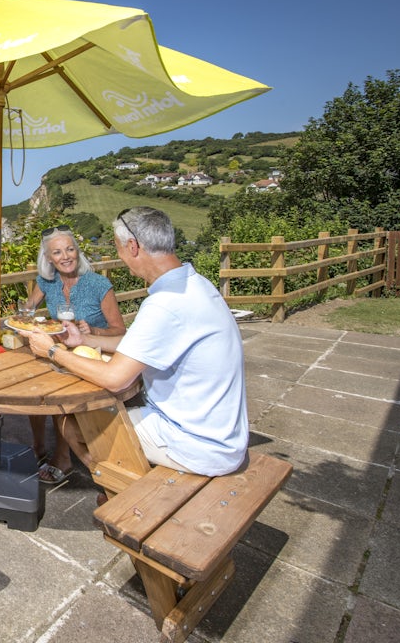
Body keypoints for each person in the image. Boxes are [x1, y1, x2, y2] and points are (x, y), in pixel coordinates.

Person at [27, 207, 249, 484]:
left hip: (195, 443)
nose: (120, 256)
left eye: (118, 248)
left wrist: (52, 351)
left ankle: (122, 488)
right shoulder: (195, 285)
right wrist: (82, 340)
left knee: (69, 422)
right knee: (96, 413)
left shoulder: (164, 304)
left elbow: (115, 379)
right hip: (221, 434)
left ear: (132, 246)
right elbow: (131, 344)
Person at [22, 225, 125, 483]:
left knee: (59, 399)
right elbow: (29, 308)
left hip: (94, 356)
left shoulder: (99, 284)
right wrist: (27, 315)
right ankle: (38, 448)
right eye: (57, 252)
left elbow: (120, 332)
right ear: (48, 258)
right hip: (58, 352)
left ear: (78, 253)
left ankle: (63, 456)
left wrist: (94, 331)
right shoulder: (47, 281)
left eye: (70, 249)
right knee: (33, 390)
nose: (65, 256)